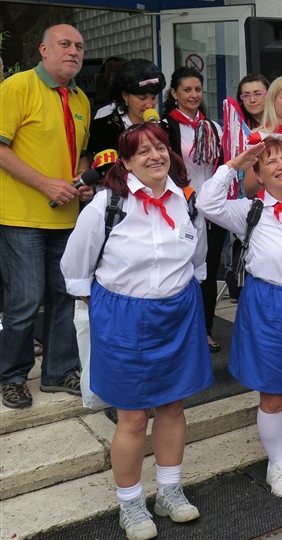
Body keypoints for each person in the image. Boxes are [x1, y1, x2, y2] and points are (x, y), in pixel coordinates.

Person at [61, 123, 212, 540]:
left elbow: (197, 260)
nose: (154, 156)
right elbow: (76, 269)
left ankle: (170, 491)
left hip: (177, 314)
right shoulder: (107, 205)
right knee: (130, 417)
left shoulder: (186, 202)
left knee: (173, 408)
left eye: (160, 148)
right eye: (142, 151)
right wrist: (105, 319)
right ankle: (130, 504)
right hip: (123, 320)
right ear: (125, 162)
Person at [197, 137, 282, 498]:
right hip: (268, 307)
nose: (281, 165)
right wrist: (233, 164)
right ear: (258, 174)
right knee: (273, 392)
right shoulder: (249, 211)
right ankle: (276, 463)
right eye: (270, 162)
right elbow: (205, 201)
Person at [0, 24, 93, 409]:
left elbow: (81, 154)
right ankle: (12, 376)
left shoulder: (81, 98)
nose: (73, 51)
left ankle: (57, 372)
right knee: (24, 300)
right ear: (43, 49)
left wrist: (85, 182)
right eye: (65, 44)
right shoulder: (16, 87)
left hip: (66, 217)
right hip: (21, 216)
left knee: (64, 297)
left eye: (79, 46)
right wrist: (44, 184)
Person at [163, 67, 225, 354]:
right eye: (186, 90)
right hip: (181, 207)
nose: (193, 95)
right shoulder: (164, 127)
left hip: (211, 208)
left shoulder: (213, 127)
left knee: (209, 269)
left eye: (197, 89)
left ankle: (206, 329)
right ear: (174, 93)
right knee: (181, 269)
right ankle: (180, 330)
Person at [89, 59, 166, 166]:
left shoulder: (165, 129)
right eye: (142, 98)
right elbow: (107, 171)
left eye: (154, 98)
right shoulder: (103, 128)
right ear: (125, 96)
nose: (149, 105)